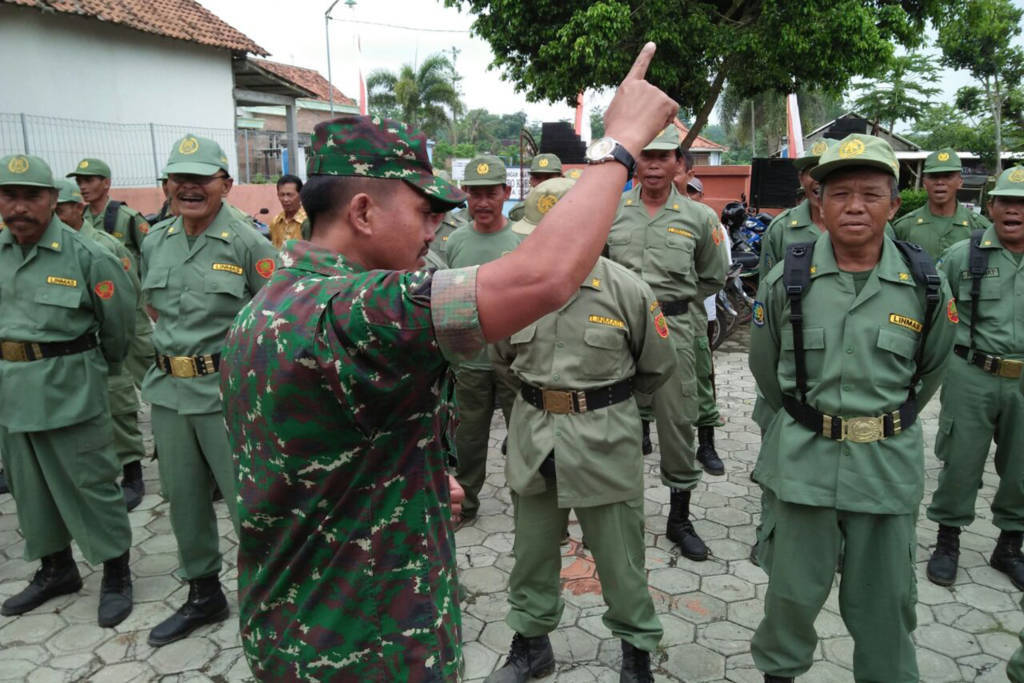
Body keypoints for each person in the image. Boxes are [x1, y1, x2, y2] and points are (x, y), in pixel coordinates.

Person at [218, 43, 677, 682]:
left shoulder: (270, 304)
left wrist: (408, 478)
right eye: (426, 211)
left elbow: (326, 457)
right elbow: (544, 277)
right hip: (369, 648)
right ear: (362, 211)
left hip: (300, 627)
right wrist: (619, 140)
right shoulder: (357, 310)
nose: (436, 228)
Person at [748, 134, 957, 682]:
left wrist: (878, 422)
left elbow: (929, 372)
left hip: (885, 468)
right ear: (819, 203)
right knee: (790, 598)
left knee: (886, 607)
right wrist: (816, 421)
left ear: (894, 204)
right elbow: (767, 375)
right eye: (840, 194)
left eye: (871, 194)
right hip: (802, 465)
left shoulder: (926, 284)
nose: (855, 206)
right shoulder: (787, 280)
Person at [140, 134, 278, 647]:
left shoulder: (250, 243)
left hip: (226, 396)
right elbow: (153, 311)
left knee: (249, 504)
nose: (189, 187)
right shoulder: (155, 239)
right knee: (183, 500)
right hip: (169, 393)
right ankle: (203, 594)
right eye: (180, 177)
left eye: (201, 178)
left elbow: (273, 323)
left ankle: (271, 597)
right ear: (167, 184)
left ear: (226, 184)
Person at [0, 154, 136, 627]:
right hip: (12, 393)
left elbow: (118, 328)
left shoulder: (89, 255)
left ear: (53, 200)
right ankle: (56, 569)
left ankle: (116, 571)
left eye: (31, 196)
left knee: (92, 483)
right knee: (29, 488)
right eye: (9, 195)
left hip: (70, 388)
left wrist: (100, 371)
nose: (19, 207)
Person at [606, 124, 727, 561]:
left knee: (677, 424)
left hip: (674, 330)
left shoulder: (700, 219)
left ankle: (679, 518)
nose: (654, 165)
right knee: (613, 421)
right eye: (646, 156)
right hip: (617, 332)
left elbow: (713, 276)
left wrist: (670, 308)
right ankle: (615, 515)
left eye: (664, 156)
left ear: (678, 163)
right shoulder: (612, 211)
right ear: (634, 161)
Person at [924, 165, 1024, 589]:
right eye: (1006, 201)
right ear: (991, 206)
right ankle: (948, 541)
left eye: (1022, 204)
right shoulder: (965, 255)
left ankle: (1009, 546)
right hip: (972, 373)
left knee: (1021, 469)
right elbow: (931, 310)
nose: (1013, 211)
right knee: (961, 461)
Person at [55, 180, 148, 511]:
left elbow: (127, 299)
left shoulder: (105, 247)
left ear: (76, 209)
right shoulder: (52, 249)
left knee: (119, 407)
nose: (54, 217)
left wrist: (116, 350)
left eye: (59, 210)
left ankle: (133, 475)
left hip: (109, 342)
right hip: (67, 355)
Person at [446, 154, 522, 527]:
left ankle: (532, 508)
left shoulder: (523, 241)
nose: (482, 203)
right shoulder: (454, 242)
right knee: (467, 441)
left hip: (516, 362)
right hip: (469, 361)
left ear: (506, 192)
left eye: (491, 193)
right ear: (465, 195)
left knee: (525, 439)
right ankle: (466, 505)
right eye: (475, 194)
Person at [674, 159, 730, 475]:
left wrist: (682, 301)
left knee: (700, 381)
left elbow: (716, 273)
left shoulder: (705, 220)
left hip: (694, 315)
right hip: (645, 317)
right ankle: (643, 434)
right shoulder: (632, 215)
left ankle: (706, 444)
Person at [893, 148, 991, 259]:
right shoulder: (904, 227)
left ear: (960, 182)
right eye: (934, 177)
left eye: (948, 176)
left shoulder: (979, 226)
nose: (940, 182)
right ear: (924, 183)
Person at [509, 153, 564, 221]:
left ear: (562, 179)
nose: (543, 183)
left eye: (549, 177)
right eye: (537, 177)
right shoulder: (520, 213)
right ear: (531, 181)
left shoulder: (572, 208)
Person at [268, 174, 307, 249]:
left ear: (301, 195)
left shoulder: (308, 222)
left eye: (290, 195)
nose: (285, 199)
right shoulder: (275, 222)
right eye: (282, 195)